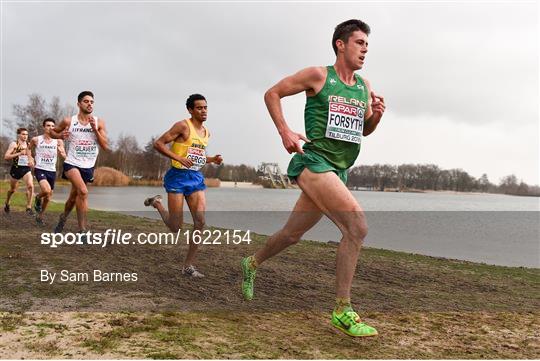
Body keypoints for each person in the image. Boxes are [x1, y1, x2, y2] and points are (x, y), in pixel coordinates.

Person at [240, 19, 386, 337]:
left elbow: (364, 130)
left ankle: (251, 263)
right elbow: (272, 93)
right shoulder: (319, 76)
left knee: (292, 235)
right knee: (356, 226)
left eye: (367, 45)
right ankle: (342, 310)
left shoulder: (364, 86)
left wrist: (375, 116)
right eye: (359, 43)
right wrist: (285, 131)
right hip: (313, 162)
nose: (364, 50)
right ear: (341, 44)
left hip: (338, 171)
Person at [144, 94, 223, 278]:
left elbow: (197, 156)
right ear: (190, 110)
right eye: (199, 108)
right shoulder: (182, 126)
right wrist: (178, 158)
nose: (203, 111)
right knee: (175, 226)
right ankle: (157, 203)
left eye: (205, 107)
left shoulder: (206, 132)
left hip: (195, 178)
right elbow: (159, 143)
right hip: (177, 178)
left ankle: (188, 266)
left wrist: (212, 160)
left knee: (200, 221)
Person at [50, 91, 109, 235]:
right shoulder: (68, 121)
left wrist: (95, 129)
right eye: (86, 101)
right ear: (79, 104)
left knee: (73, 197)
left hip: (88, 165)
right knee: (83, 192)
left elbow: (105, 145)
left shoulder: (98, 122)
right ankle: (82, 231)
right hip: (72, 163)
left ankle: (63, 218)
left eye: (92, 102)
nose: (89, 104)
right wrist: (60, 136)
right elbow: (52, 132)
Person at [29, 118, 67, 225]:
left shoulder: (58, 141)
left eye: (52, 126)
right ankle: (37, 197)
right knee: (46, 190)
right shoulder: (36, 139)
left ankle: (40, 217)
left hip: (52, 170)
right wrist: (30, 158)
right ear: (44, 127)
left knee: (49, 196)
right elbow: (28, 148)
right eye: (48, 125)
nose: (50, 128)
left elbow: (64, 155)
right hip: (40, 168)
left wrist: (63, 154)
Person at [3, 128, 34, 214]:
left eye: (26, 134)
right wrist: (19, 153)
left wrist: (31, 161)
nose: (25, 136)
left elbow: (29, 156)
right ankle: (7, 202)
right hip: (16, 169)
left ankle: (28, 207)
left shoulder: (28, 145)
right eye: (23, 134)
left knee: (30, 186)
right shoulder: (14, 144)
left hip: (26, 169)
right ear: (19, 135)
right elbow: (6, 157)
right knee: (12, 190)